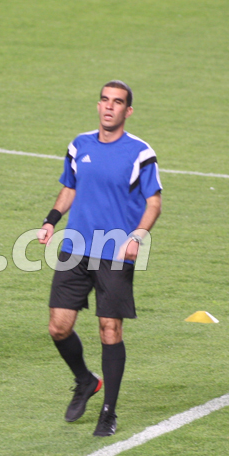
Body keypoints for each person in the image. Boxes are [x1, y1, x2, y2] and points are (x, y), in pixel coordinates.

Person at [38, 80, 162, 436]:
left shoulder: (139, 153)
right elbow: (69, 187)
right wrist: (50, 220)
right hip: (75, 248)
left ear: (128, 111)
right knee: (58, 327)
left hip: (115, 253)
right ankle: (85, 380)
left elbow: (154, 202)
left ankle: (108, 411)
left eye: (117, 102)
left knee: (110, 330)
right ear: (98, 105)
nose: (109, 107)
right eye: (105, 100)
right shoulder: (80, 145)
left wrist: (138, 235)